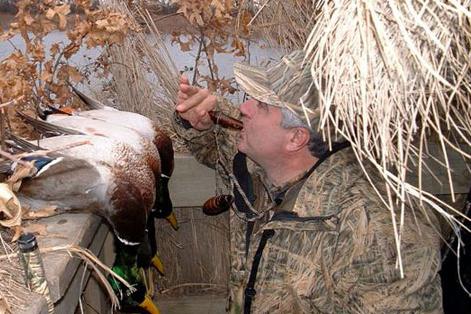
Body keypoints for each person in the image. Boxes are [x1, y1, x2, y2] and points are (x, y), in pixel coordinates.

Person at [172, 50, 443, 313]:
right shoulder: (273, 163)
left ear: (296, 138)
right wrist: (199, 119)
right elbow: (217, 143)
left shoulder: (383, 228)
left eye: (262, 104)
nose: (243, 107)